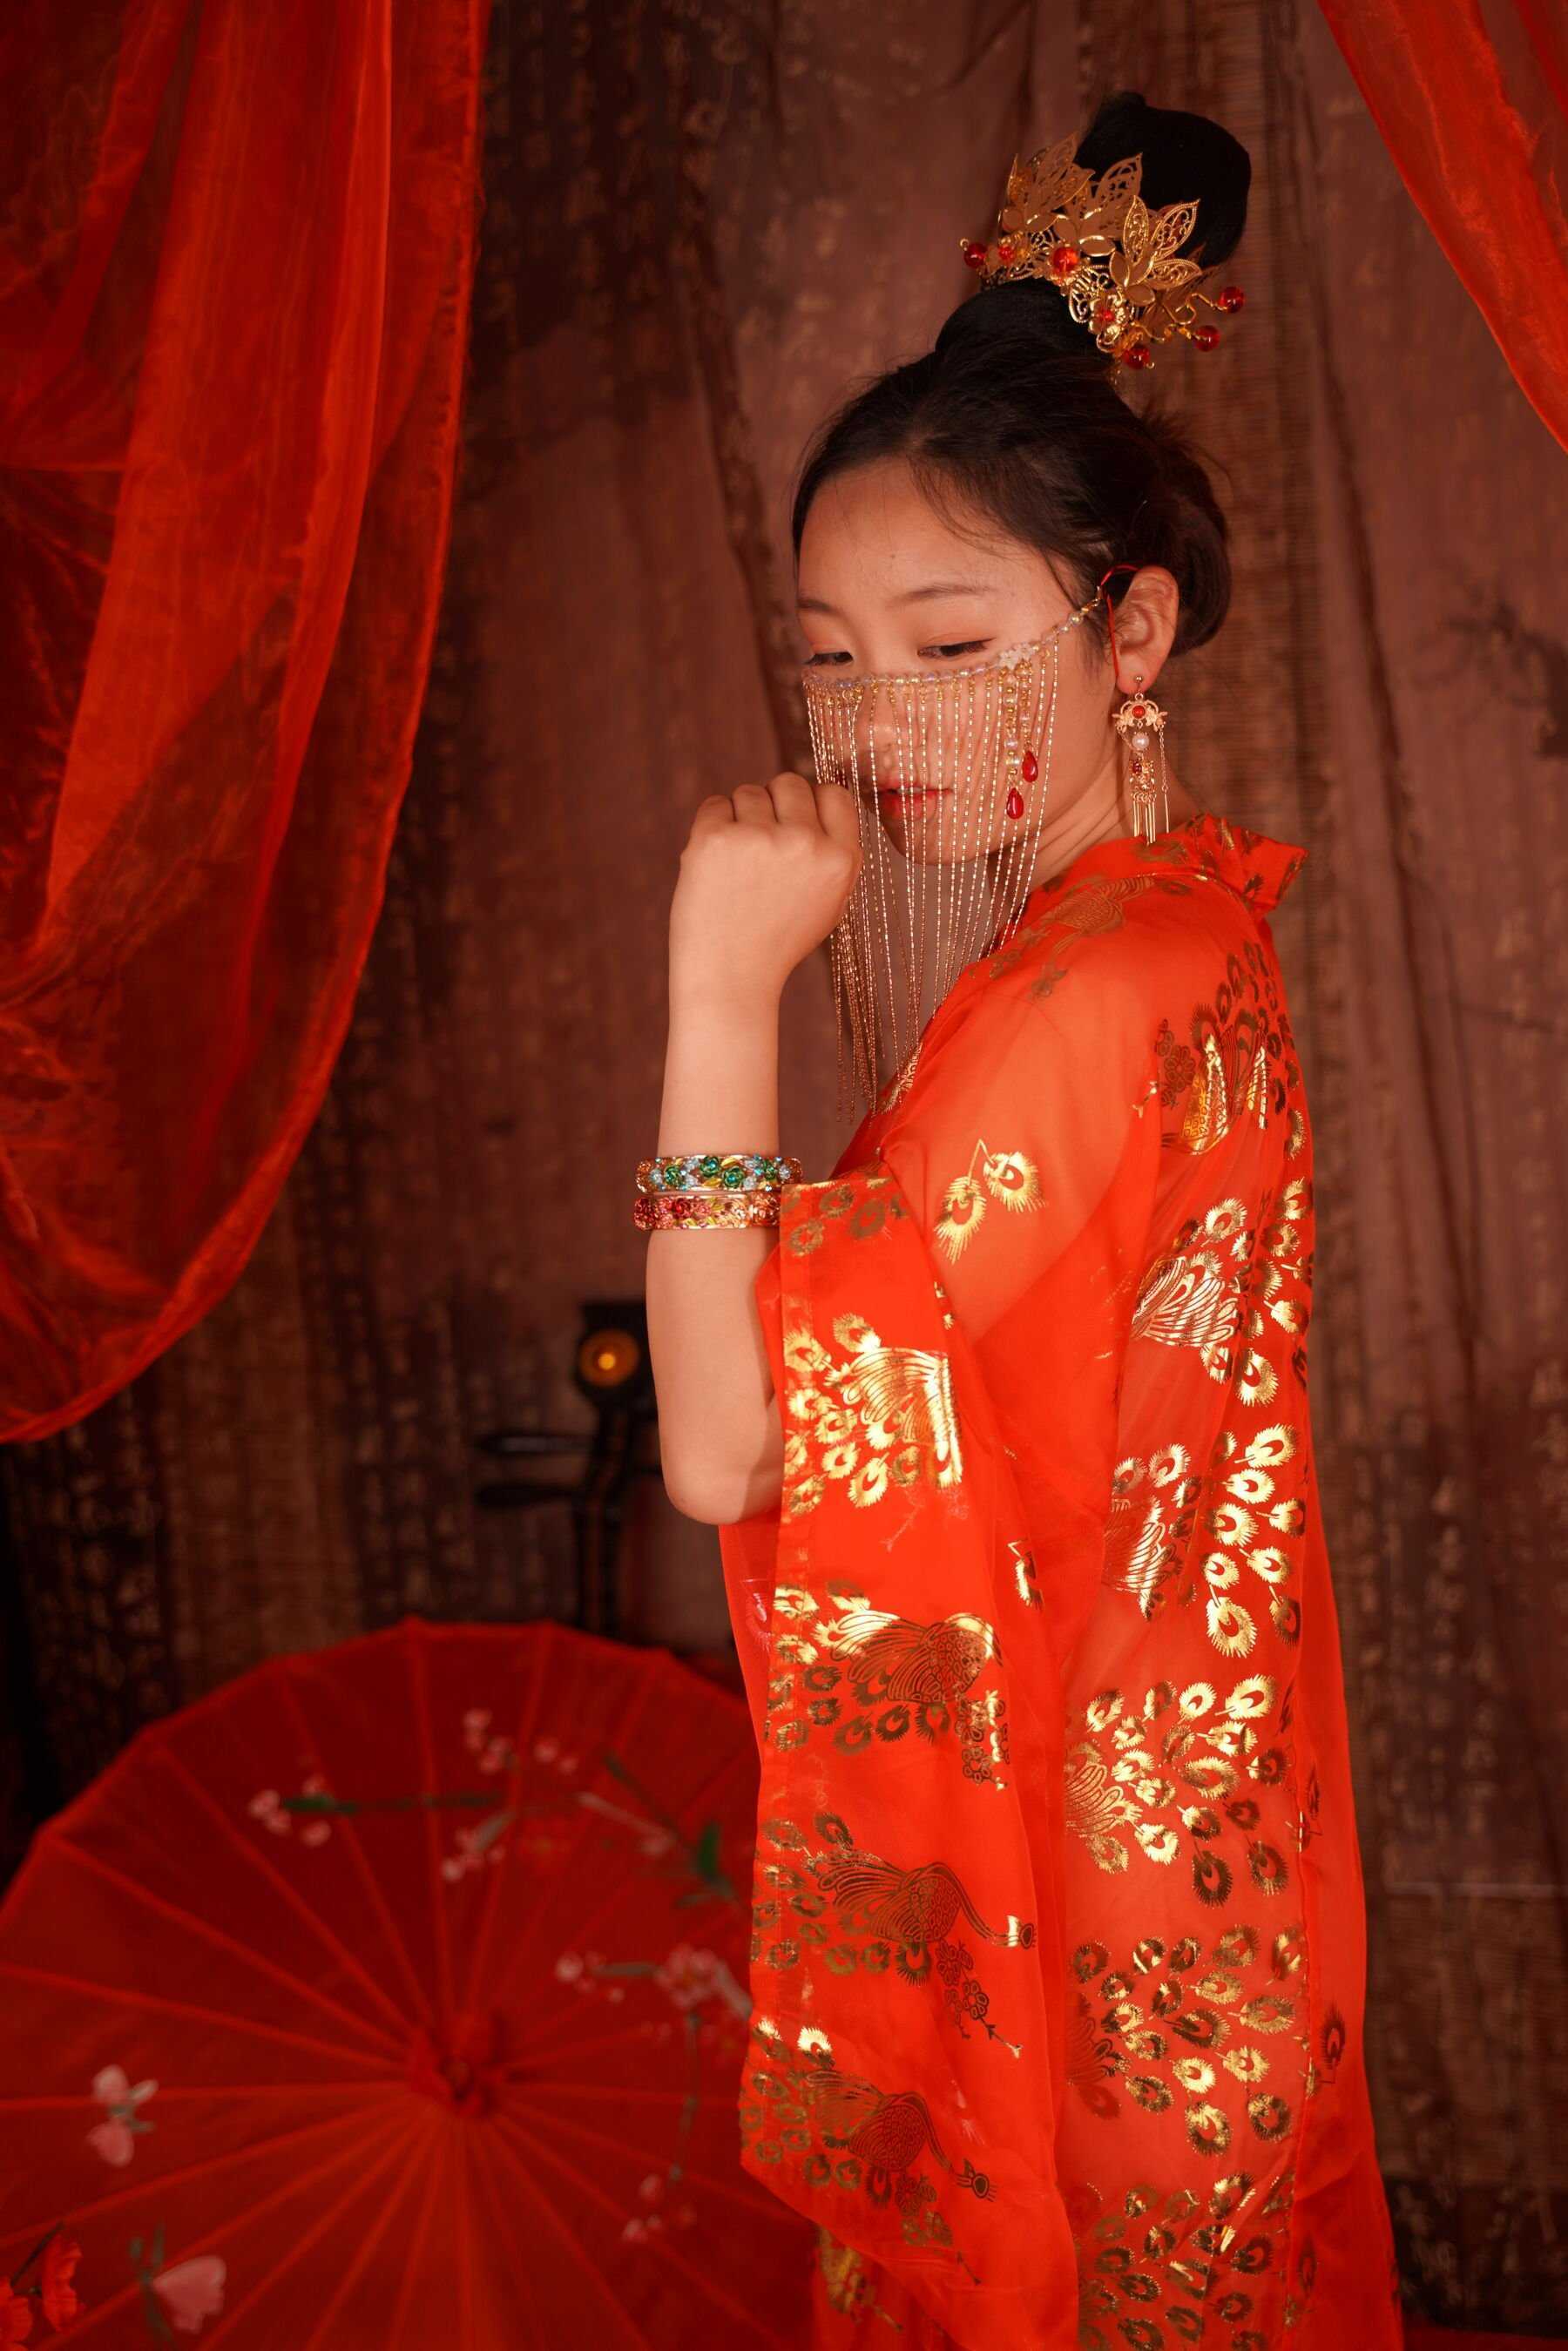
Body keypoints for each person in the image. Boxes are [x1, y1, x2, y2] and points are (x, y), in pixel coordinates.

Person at [641, 87, 1402, 2351]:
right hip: (1202, 1846)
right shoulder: (1171, 924)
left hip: (1091, 1911)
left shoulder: (1093, 988)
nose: (880, 722)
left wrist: (714, 997)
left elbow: (726, 1448)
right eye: (832, 655)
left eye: (953, 643)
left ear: (1128, 630)